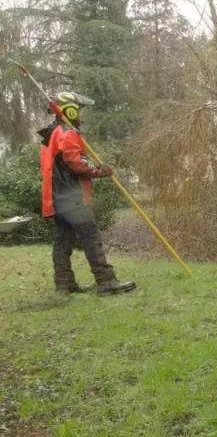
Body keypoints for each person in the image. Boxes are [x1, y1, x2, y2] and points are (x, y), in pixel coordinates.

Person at [39, 92, 136, 296]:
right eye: (79, 111)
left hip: (56, 197)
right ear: (70, 110)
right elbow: (75, 162)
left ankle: (64, 283)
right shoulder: (67, 132)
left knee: (63, 240)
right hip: (71, 196)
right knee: (91, 236)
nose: (81, 117)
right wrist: (100, 171)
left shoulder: (51, 133)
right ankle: (106, 281)